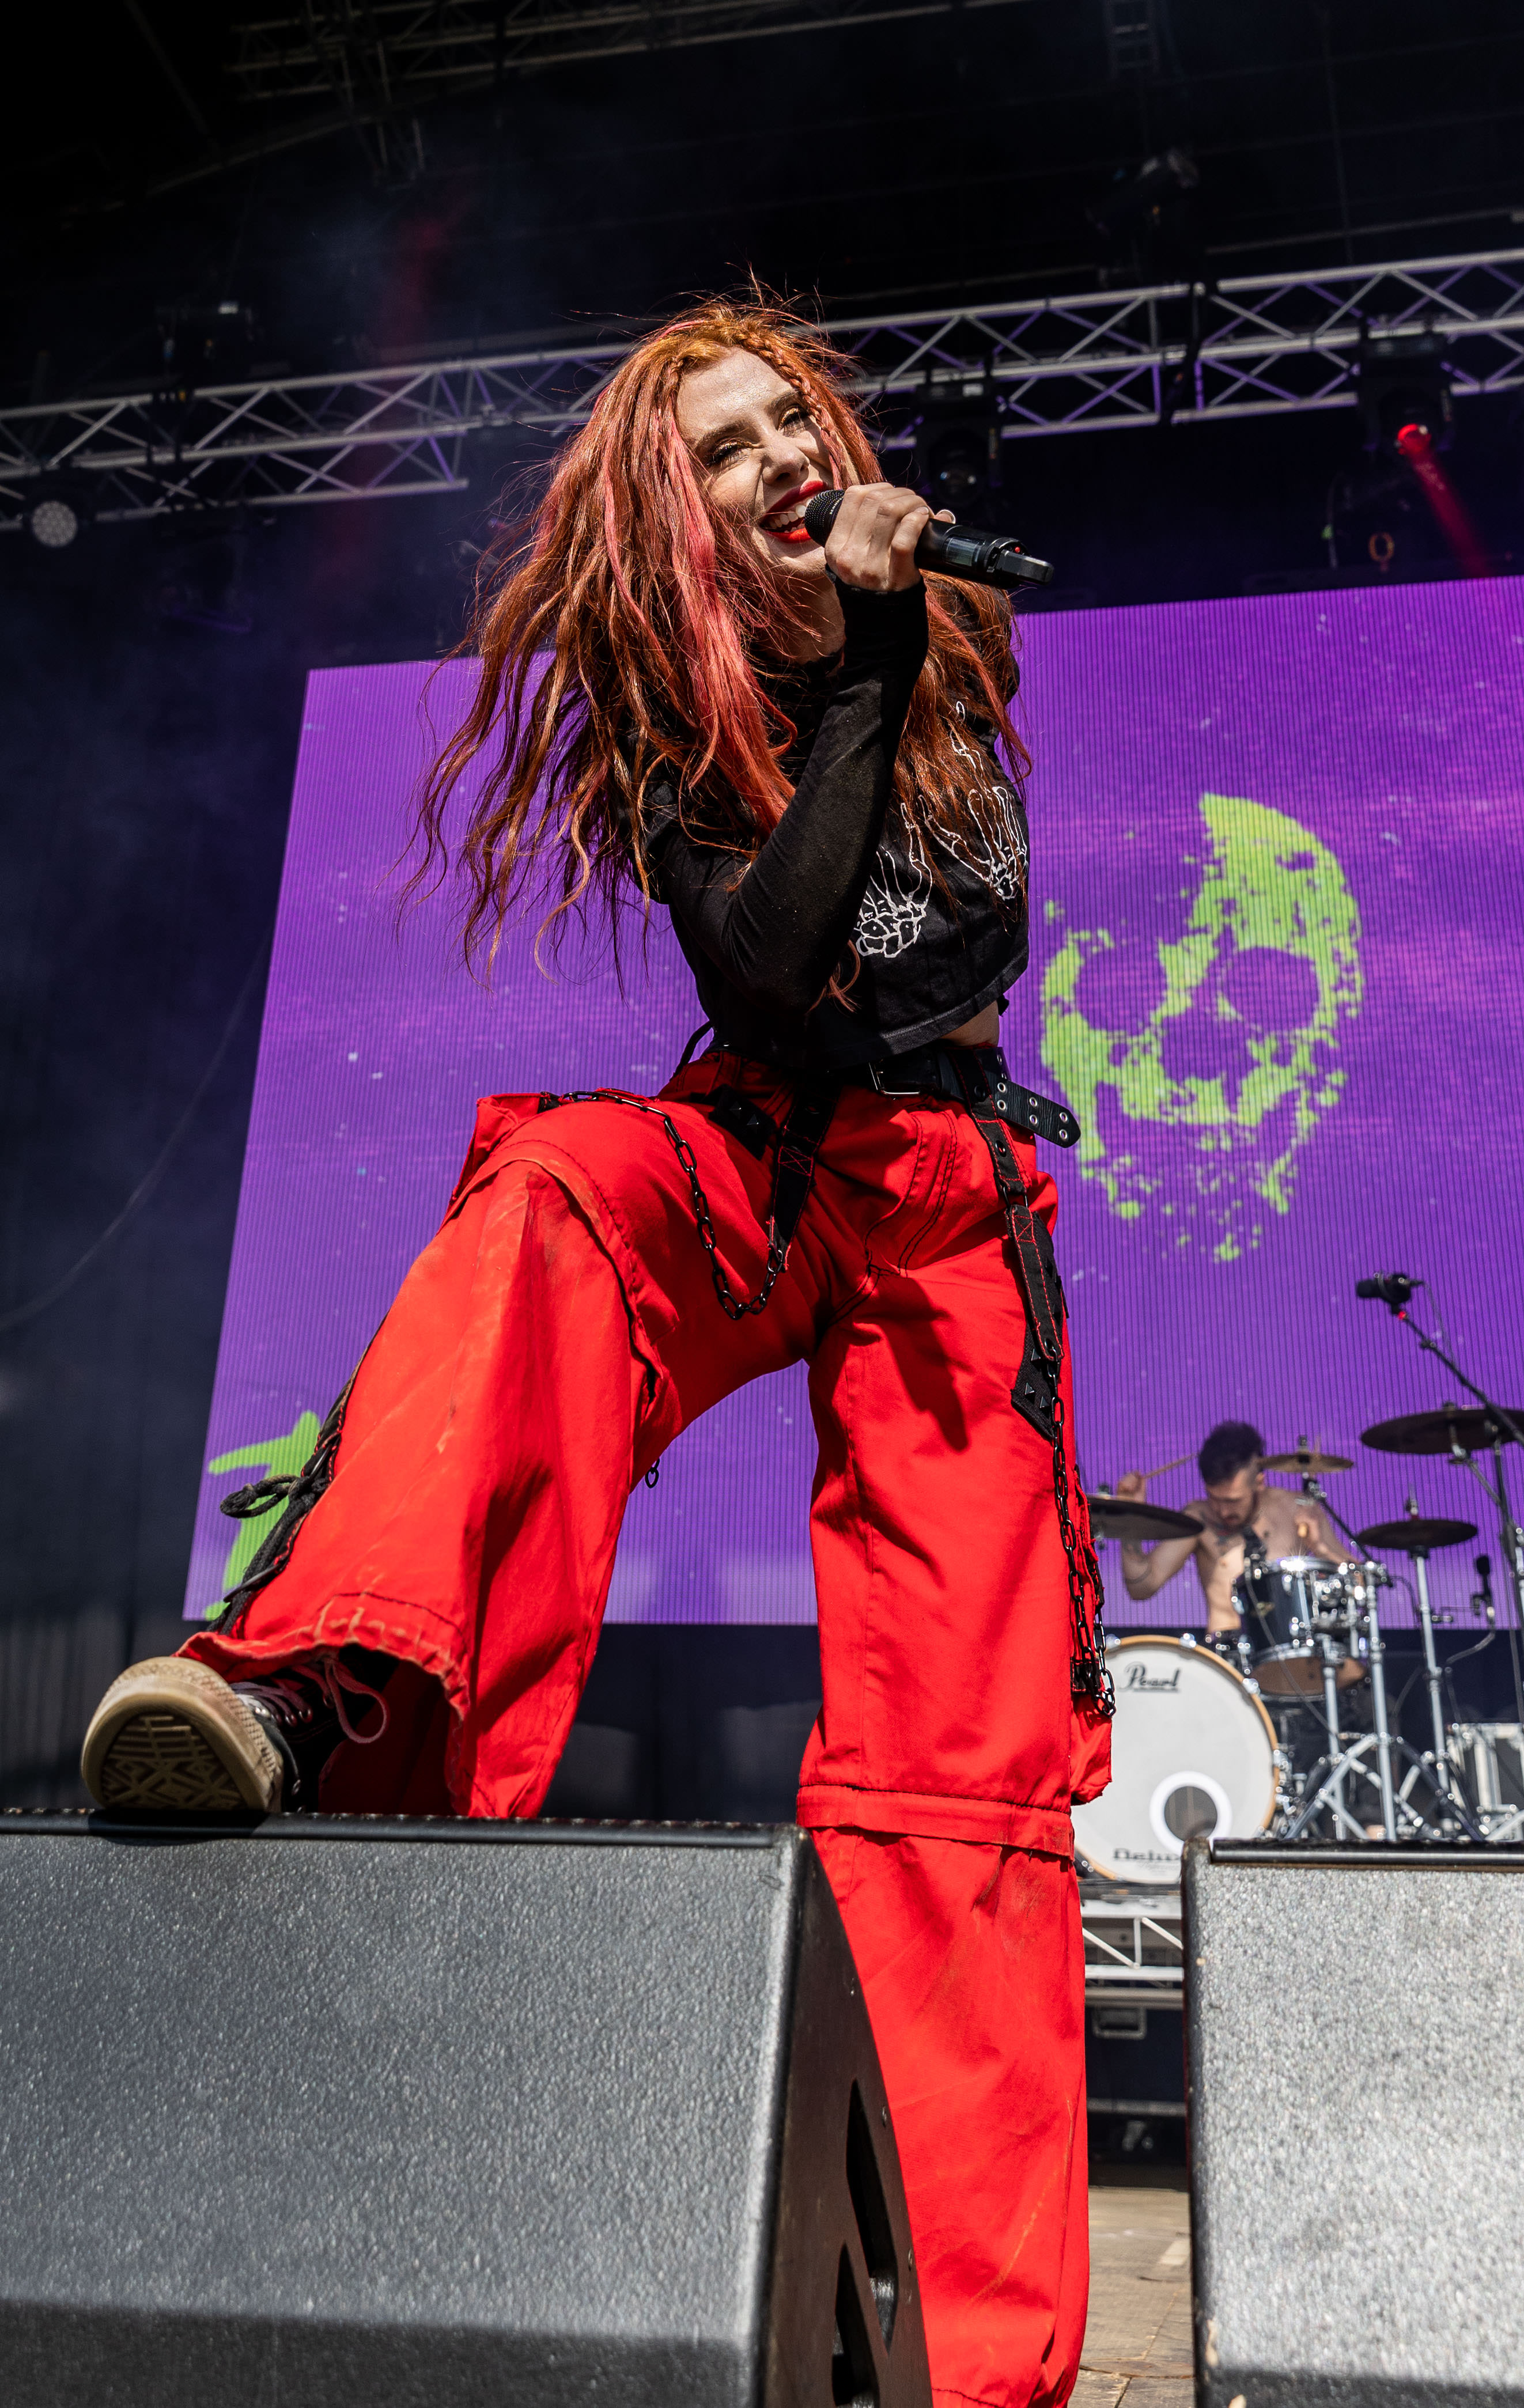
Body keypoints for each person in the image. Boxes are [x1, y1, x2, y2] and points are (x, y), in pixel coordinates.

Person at [79, 300, 1113, 2408]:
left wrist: (898, 644)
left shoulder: (957, 643)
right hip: (772, 1146)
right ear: (679, 519)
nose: (776, 457)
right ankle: (305, 1687)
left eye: (787, 420)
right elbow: (770, 971)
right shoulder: (672, 716)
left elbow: (951, 945)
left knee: (962, 1756)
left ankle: (961, 2365)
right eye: (722, 449)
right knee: (556, 1197)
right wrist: (860, 665)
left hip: (950, 1207)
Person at [1115, 1418, 1347, 1632]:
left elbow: (1360, 1583)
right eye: (1214, 1498)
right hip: (1226, 1654)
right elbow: (1141, 1587)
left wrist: (1321, 1548)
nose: (1223, 1511)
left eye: (1233, 1501)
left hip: (1295, 1649)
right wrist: (1129, 1516)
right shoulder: (1200, 1518)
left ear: (1259, 1482)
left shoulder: (1296, 1509)